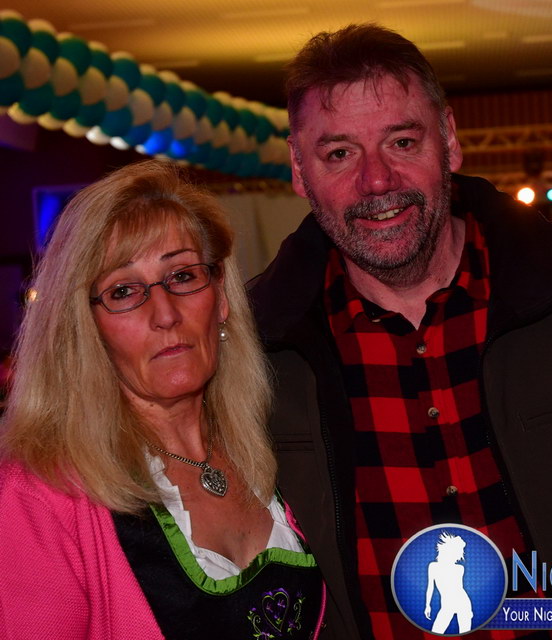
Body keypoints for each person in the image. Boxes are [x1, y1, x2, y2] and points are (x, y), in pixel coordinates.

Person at [248, 23, 552, 639]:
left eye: (402, 141)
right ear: (300, 170)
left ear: (450, 141)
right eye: (339, 153)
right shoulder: (253, 355)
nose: (377, 181)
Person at [0, 160, 325, 639]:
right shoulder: (40, 497)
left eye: (183, 275)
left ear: (220, 296)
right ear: (86, 327)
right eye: (123, 291)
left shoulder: (269, 443)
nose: (166, 314)